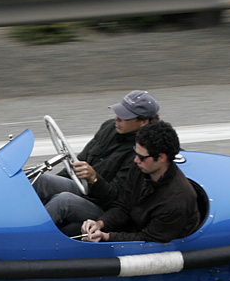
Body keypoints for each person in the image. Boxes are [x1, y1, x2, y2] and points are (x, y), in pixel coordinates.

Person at [34, 90, 160, 236]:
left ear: (144, 122)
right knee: (39, 180)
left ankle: (29, 238)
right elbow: (80, 160)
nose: (117, 118)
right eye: (118, 112)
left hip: (104, 208)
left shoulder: (142, 154)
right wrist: (55, 183)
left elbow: (117, 201)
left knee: (63, 201)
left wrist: (93, 179)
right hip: (83, 188)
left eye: (124, 116)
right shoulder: (109, 127)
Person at [81, 120, 200, 243]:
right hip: (137, 225)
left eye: (142, 157)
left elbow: (149, 238)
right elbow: (124, 206)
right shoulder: (141, 167)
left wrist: (107, 237)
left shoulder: (177, 200)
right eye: (135, 153)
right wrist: (100, 223)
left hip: (156, 239)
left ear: (161, 158)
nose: (136, 160)